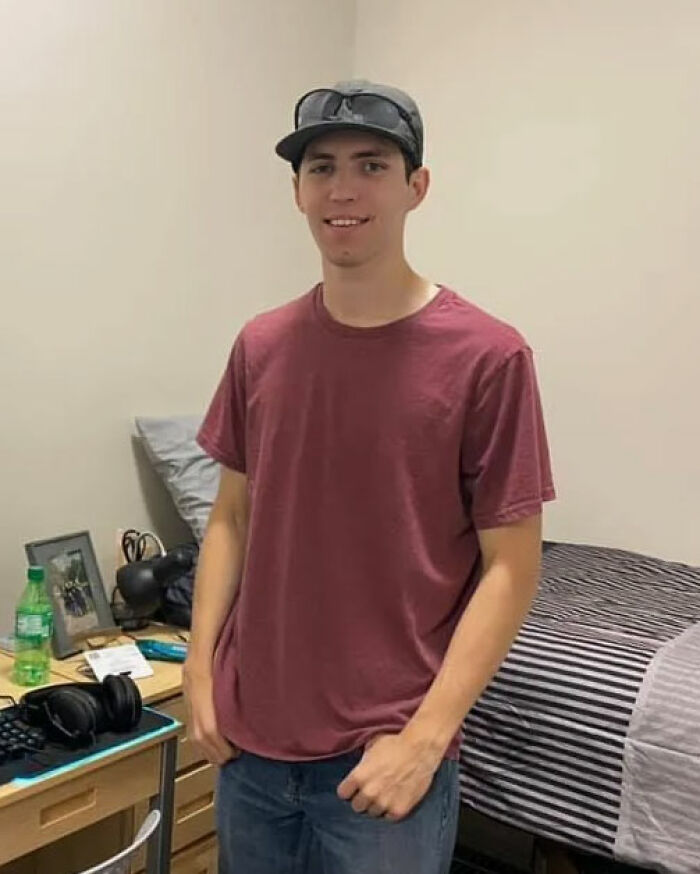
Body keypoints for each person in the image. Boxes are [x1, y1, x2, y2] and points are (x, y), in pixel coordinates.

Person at [184, 79, 556, 874]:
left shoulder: (488, 357)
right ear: (296, 191)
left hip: (382, 764)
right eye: (320, 167)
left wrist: (425, 742)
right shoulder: (262, 344)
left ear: (416, 187)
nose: (343, 189)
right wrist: (199, 666)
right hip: (247, 749)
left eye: (372, 165)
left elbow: (511, 567)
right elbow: (231, 519)